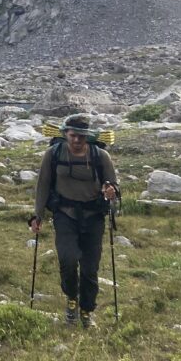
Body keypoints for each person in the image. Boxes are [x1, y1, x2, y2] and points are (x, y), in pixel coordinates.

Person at [29, 115, 118, 328]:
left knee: (90, 269)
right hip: (64, 215)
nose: (77, 140)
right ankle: (71, 299)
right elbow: (43, 185)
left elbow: (113, 185)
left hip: (93, 217)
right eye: (73, 135)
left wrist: (111, 192)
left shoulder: (101, 156)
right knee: (68, 260)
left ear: (87, 136)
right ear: (65, 134)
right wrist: (37, 215)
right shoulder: (53, 154)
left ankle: (87, 311)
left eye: (81, 136)